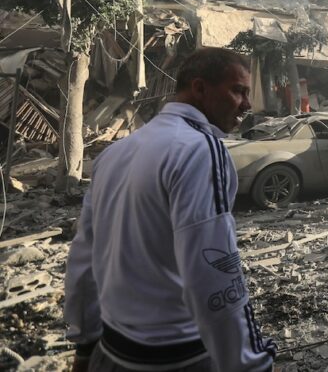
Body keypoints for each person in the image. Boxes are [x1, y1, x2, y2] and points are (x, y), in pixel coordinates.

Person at [64, 47, 275, 371]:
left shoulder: (115, 153)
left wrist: (84, 346)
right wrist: (251, 364)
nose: (247, 104)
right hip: (179, 359)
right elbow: (215, 273)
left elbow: (82, 260)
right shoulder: (202, 150)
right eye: (238, 91)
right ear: (200, 88)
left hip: (111, 354)